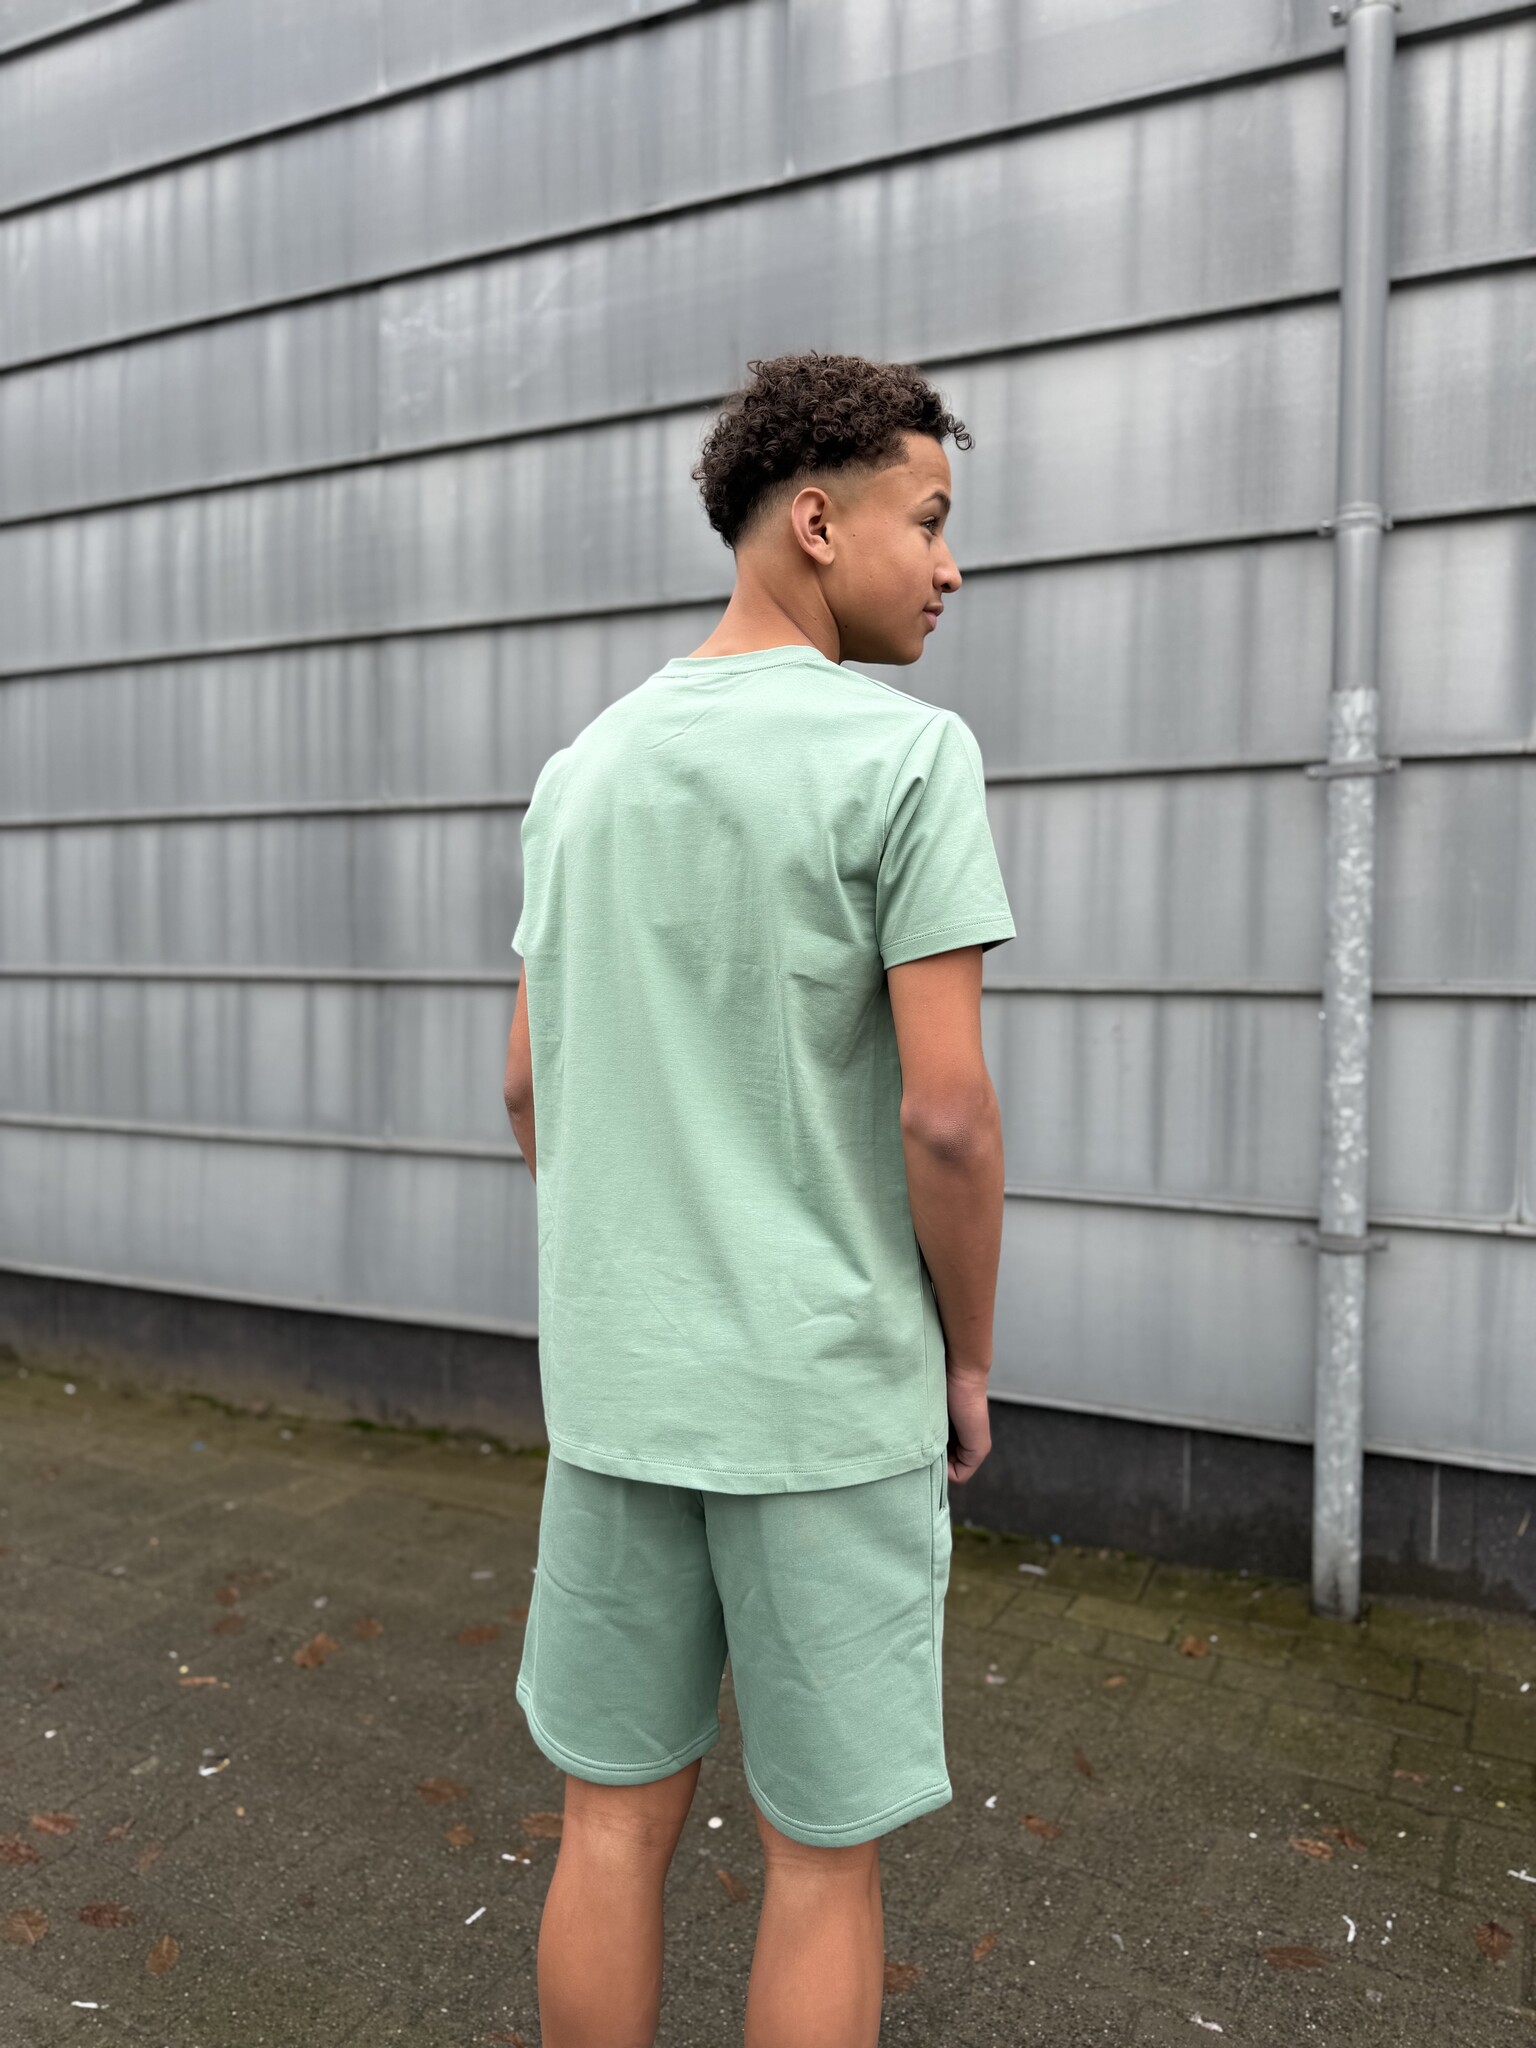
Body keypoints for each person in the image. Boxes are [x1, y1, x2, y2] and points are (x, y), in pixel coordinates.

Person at [500, 351, 1016, 2048]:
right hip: (821, 1392)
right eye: (928, 520)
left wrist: (642, 1256)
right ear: (814, 521)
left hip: (618, 1392)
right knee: (818, 1860)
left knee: (606, 1822)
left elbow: (525, 1086)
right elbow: (948, 1119)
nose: (948, 565)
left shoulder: (581, 773)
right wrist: (966, 1356)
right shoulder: (909, 758)